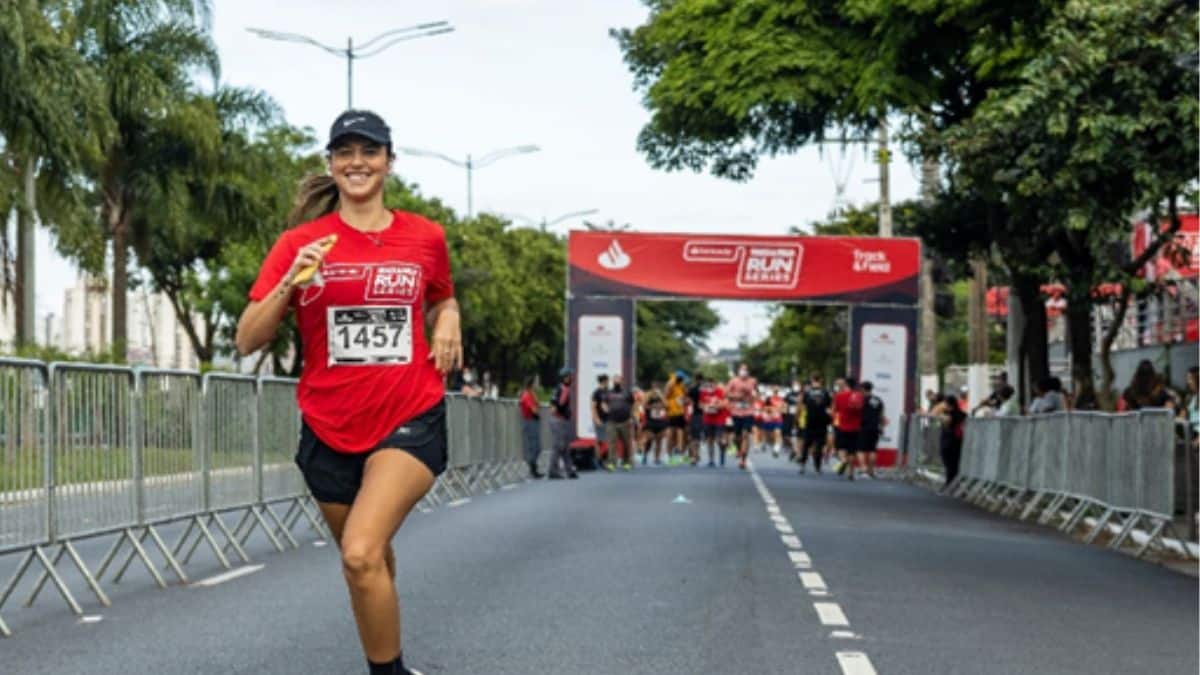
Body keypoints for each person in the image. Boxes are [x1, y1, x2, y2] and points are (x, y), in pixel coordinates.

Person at [236, 110, 459, 675]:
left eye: (369, 151)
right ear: (331, 165)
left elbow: (441, 294)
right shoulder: (299, 243)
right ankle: (395, 662)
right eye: (345, 153)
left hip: (409, 413)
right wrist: (291, 282)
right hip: (329, 426)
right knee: (371, 558)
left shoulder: (425, 236)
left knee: (360, 555)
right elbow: (246, 339)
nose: (357, 162)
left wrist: (448, 316)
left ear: (389, 161)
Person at [548, 368, 579, 480]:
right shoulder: (563, 389)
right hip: (559, 420)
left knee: (565, 447)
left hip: (561, 420)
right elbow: (556, 405)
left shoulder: (560, 388)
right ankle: (553, 470)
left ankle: (569, 470)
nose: (571, 378)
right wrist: (564, 412)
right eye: (569, 376)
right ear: (565, 377)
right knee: (558, 446)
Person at [726, 364, 758, 470]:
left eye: (745, 369)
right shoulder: (733, 381)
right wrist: (737, 396)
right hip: (736, 412)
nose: (744, 371)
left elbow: (757, 393)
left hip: (748, 412)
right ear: (738, 371)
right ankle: (739, 450)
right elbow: (726, 394)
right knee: (737, 437)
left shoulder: (753, 381)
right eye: (742, 369)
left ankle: (743, 460)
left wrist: (753, 395)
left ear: (748, 371)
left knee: (746, 435)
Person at [831, 377, 864, 480]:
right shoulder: (859, 396)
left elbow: (834, 411)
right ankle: (850, 473)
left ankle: (843, 460)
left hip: (842, 425)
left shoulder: (839, 396)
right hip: (856, 427)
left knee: (841, 448)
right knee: (852, 451)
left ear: (846, 384)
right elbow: (862, 411)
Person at [799, 374, 832, 475]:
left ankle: (803, 466)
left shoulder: (807, 392)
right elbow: (829, 408)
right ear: (821, 380)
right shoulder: (825, 392)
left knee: (806, 444)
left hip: (810, 420)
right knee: (819, 445)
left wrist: (799, 419)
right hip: (822, 422)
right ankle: (817, 467)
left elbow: (802, 406)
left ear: (812, 380)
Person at [604, 374, 637, 471]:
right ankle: (611, 463)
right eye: (615, 380)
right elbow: (603, 403)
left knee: (626, 443)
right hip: (612, 422)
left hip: (625, 421)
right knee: (612, 443)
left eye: (618, 380)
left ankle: (626, 462)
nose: (616, 382)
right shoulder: (608, 392)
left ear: (622, 381)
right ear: (612, 382)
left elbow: (633, 404)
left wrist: (632, 416)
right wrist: (606, 409)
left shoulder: (627, 392)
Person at [857, 381, 887, 479]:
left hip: (863, 427)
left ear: (863, 389)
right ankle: (871, 470)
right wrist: (882, 427)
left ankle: (863, 469)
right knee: (872, 450)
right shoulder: (878, 400)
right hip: (875, 427)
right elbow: (882, 415)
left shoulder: (861, 399)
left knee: (860, 449)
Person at [699, 377, 728, 467]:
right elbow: (700, 404)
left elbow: (725, 403)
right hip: (707, 419)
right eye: (708, 384)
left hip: (719, 419)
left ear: (714, 384)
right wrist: (705, 407)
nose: (710, 386)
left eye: (711, 384)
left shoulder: (720, 391)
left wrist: (716, 406)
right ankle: (711, 460)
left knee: (719, 439)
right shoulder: (703, 392)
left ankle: (722, 450)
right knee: (709, 440)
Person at [940, 393, 967, 485]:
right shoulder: (962, 414)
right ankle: (954, 482)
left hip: (949, 440)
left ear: (949, 404)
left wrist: (943, 416)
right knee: (955, 462)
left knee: (948, 461)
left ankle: (950, 482)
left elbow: (947, 423)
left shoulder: (949, 414)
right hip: (958, 440)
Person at [518, 377, 543, 479]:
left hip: (533, 421)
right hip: (530, 421)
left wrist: (534, 396)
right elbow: (534, 409)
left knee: (537, 446)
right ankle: (532, 467)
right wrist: (537, 411)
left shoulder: (530, 394)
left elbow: (538, 404)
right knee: (534, 446)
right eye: (534, 384)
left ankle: (534, 467)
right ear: (531, 385)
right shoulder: (526, 396)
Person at [642, 382, 670, 465]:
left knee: (659, 440)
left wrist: (660, 395)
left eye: (657, 387)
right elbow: (644, 405)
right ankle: (645, 454)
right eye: (654, 387)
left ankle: (657, 458)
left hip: (660, 421)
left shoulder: (661, 397)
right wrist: (650, 396)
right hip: (650, 421)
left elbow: (666, 405)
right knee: (650, 439)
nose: (655, 389)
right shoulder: (648, 395)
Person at [664, 371, 689, 462]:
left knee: (680, 431)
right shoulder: (671, 383)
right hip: (671, 412)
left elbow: (685, 395)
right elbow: (666, 395)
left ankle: (679, 450)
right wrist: (670, 388)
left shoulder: (681, 384)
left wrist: (684, 399)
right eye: (681, 379)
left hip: (680, 411)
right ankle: (668, 453)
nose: (682, 381)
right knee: (671, 433)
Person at [590, 375, 611, 467]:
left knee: (608, 440)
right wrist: (596, 418)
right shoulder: (596, 392)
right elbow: (593, 406)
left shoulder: (608, 392)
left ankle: (605, 459)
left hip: (608, 419)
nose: (608, 382)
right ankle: (599, 460)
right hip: (600, 419)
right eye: (607, 381)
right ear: (603, 381)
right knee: (600, 440)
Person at [686, 374, 706, 466]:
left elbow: (685, 400)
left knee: (693, 436)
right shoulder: (704, 390)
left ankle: (694, 456)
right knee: (696, 437)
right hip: (700, 415)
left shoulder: (692, 389)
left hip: (693, 415)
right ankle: (695, 455)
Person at [763, 387, 786, 457]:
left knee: (777, 433)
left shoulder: (781, 400)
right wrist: (772, 409)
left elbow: (784, 410)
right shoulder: (769, 399)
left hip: (778, 419)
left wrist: (782, 410)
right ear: (772, 391)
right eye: (774, 391)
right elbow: (764, 408)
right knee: (770, 437)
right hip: (770, 420)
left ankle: (776, 449)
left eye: (777, 391)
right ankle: (773, 445)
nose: (775, 392)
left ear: (778, 392)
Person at [783, 379, 802, 461]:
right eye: (794, 384)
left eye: (797, 384)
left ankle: (798, 453)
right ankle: (794, 449)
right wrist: (784, 413)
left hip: (800, 417)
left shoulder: (803, 395)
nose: (796, 386)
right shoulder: (788, 395)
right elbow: (785, 405)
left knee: (799, 436)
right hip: (789, 417)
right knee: (786, 436)